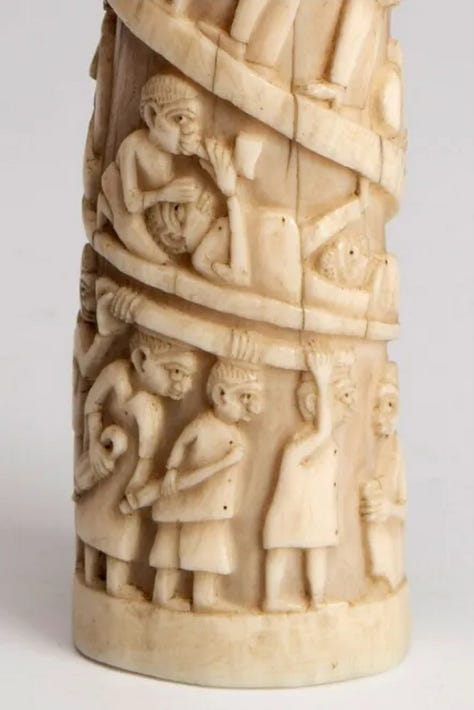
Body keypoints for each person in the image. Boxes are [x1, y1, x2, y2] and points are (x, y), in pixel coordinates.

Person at [122, 358, 265, 611]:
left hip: (209, 506)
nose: (250, 409)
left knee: (205, 555)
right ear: (221, 394)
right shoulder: (202, 425)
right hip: (182, 498)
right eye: (244, 398)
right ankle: (163, 596)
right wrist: (171, 470)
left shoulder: (235, 434)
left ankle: (203, 599)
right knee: (168, 552)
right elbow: (181, 444)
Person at [75, 329, 198, 600]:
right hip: (105, 466)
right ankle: (91, 576)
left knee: (121, 528)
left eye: (185, 376)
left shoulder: (150, 408)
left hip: (126, 479)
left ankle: (114, 585)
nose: (180, 384)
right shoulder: (117, 374)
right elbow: (92, 405)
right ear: (142, 359)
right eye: (174, 372)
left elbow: (146, 457)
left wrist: (137, 486)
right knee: (93, 514)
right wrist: (94, 444)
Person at [263, 346, 357, 611]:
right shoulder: (302, 444)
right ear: (313, 404)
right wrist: (322, 379)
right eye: (343, 397)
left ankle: (317, 599)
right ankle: (271, 600)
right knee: (279, 551)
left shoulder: (323, 443)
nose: (350, 404)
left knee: (317, 549)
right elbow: (323, 430)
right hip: (289, 514)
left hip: (313, 515)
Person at [96, 73, 203, 264]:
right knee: (136, 234)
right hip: (128, 204)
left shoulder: (170, 150)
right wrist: (164, 194)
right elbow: (132, 203)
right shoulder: (133, 146)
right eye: (179, 118)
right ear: (152, 115)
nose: (189, 131)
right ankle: (106, 210)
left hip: (157, 211)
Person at [73, 245, 126, 463]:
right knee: (83, 446)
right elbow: (88, 368)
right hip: (87, 403)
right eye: (83, 289)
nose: (87, 300)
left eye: (94, 294)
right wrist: (105, 335)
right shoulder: (84, 328)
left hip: (104, 403)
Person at [360, 362, 407, 591]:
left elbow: (405, 508)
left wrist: (389, 509)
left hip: (386, 563)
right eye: (377, 406)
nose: (383, 415)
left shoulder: (394, 449)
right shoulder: (360, 446)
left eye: (390, 405)